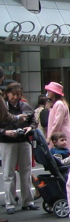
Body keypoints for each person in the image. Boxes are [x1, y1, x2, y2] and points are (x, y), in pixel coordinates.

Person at [1, 83, 38, 214]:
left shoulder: (25, 105)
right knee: (8, 173)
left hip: (23, 141)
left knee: (26, 172)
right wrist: (5, 132)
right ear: (7, 94)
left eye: (18, 94)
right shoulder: (3, 107)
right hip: (7, 141)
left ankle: (28, 201)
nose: (16, 97)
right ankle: (10, 203)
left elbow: (34, 120)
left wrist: (30, 127)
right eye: (13, 94)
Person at [45, 82, 70, 153]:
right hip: (58, 136)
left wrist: (50, 137)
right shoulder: (56, 104)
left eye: (49, 91)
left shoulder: (59, 104)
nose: (47, 93)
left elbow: (57, 123)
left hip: (60, 136)